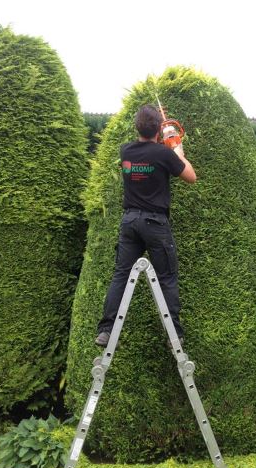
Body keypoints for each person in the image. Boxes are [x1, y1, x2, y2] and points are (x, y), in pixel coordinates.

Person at [95, 104, 197, 347]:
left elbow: (148, 153)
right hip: (155, 223)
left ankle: (106, 330)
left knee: (121, 275)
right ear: (158, 131)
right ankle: (175, 337)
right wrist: (178, 151)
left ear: (137, 127)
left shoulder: (126, 151)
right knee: (167, 278)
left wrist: (165, 144)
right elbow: (191, 177)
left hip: (129, 221)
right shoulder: (164, 154)